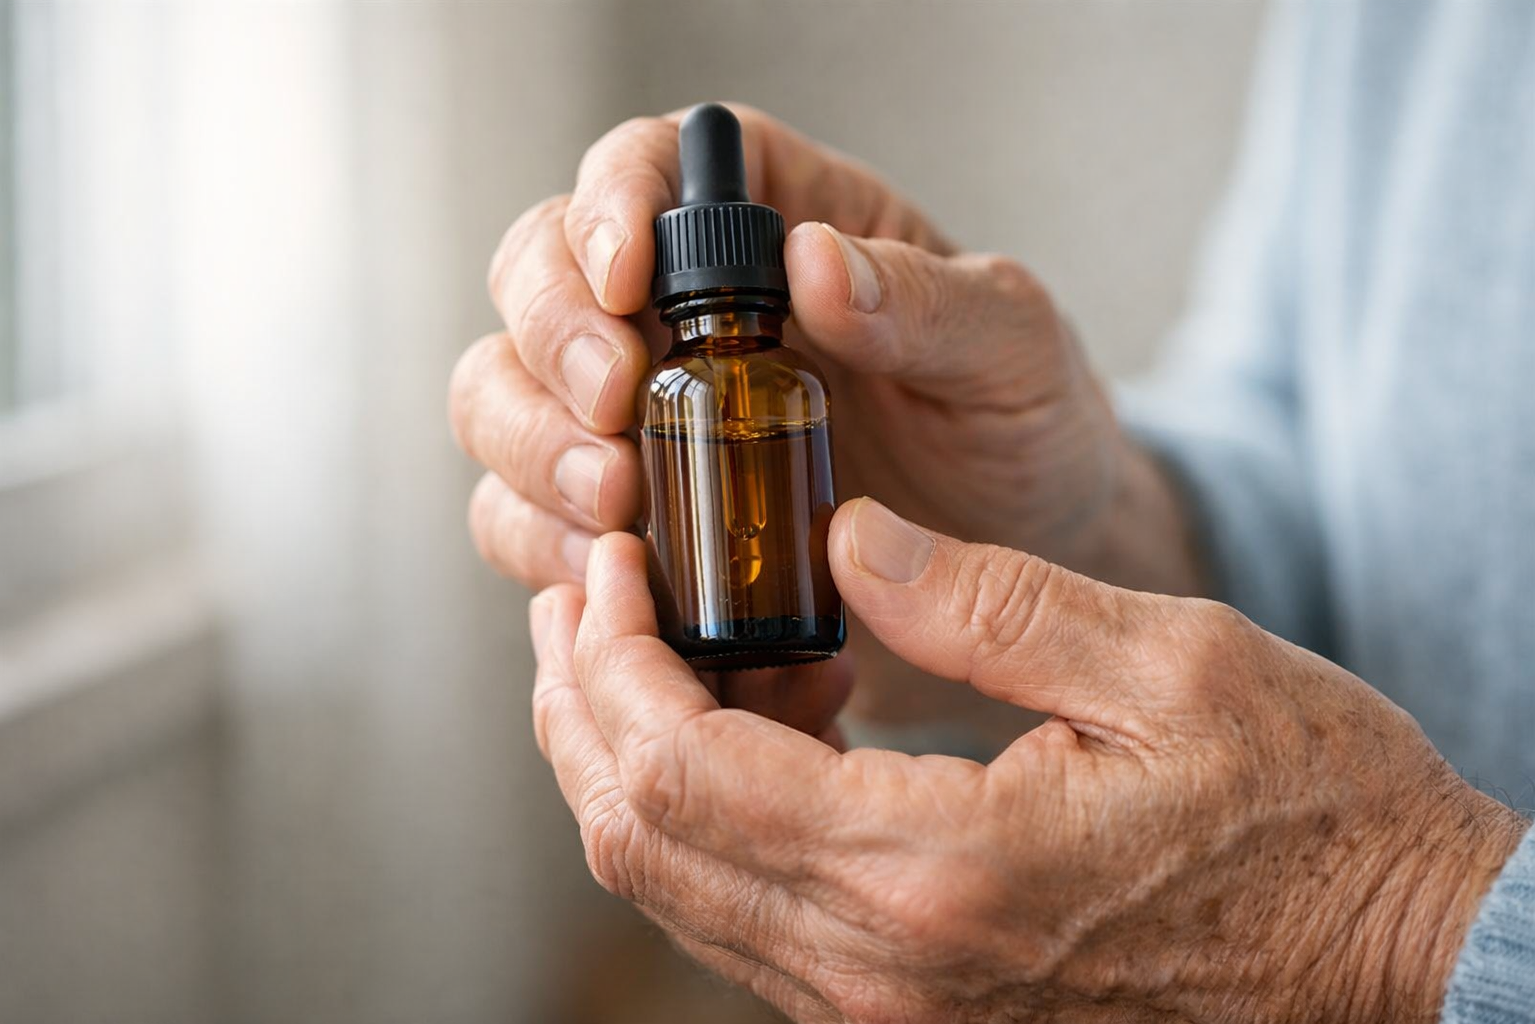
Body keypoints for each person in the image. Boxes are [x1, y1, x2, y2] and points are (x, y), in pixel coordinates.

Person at [449, 2, 1534, 1020]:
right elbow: (1310, 442)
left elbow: (1399, 920)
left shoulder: (765, 394)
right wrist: (1096, 530)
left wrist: (1404, 924)